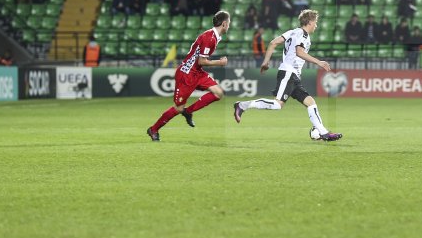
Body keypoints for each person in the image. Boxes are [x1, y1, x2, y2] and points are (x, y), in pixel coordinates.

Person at [232, 9, 343, 142]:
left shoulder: (292, 32)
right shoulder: (302, 34)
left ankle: (323, 132)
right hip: (288, 73)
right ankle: (242, 105)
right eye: (315, 22)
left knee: (310, 102)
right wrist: (319, 62)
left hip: (293, 75)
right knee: (278, 105)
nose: (316, 25)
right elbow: (299, 52)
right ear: (309, 22)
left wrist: (266, 62)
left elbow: (273, 43)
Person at [146, 11, 231, 142]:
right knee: (178, 108)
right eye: (229, 23)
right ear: (224, 24)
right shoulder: (210, 38)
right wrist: (220, 62)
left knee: (218, 93)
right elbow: (201, 61)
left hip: (197, 72)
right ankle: (153, 129)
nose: (229, 26)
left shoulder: (214, 36)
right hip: (186, 74)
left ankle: (189, 111)